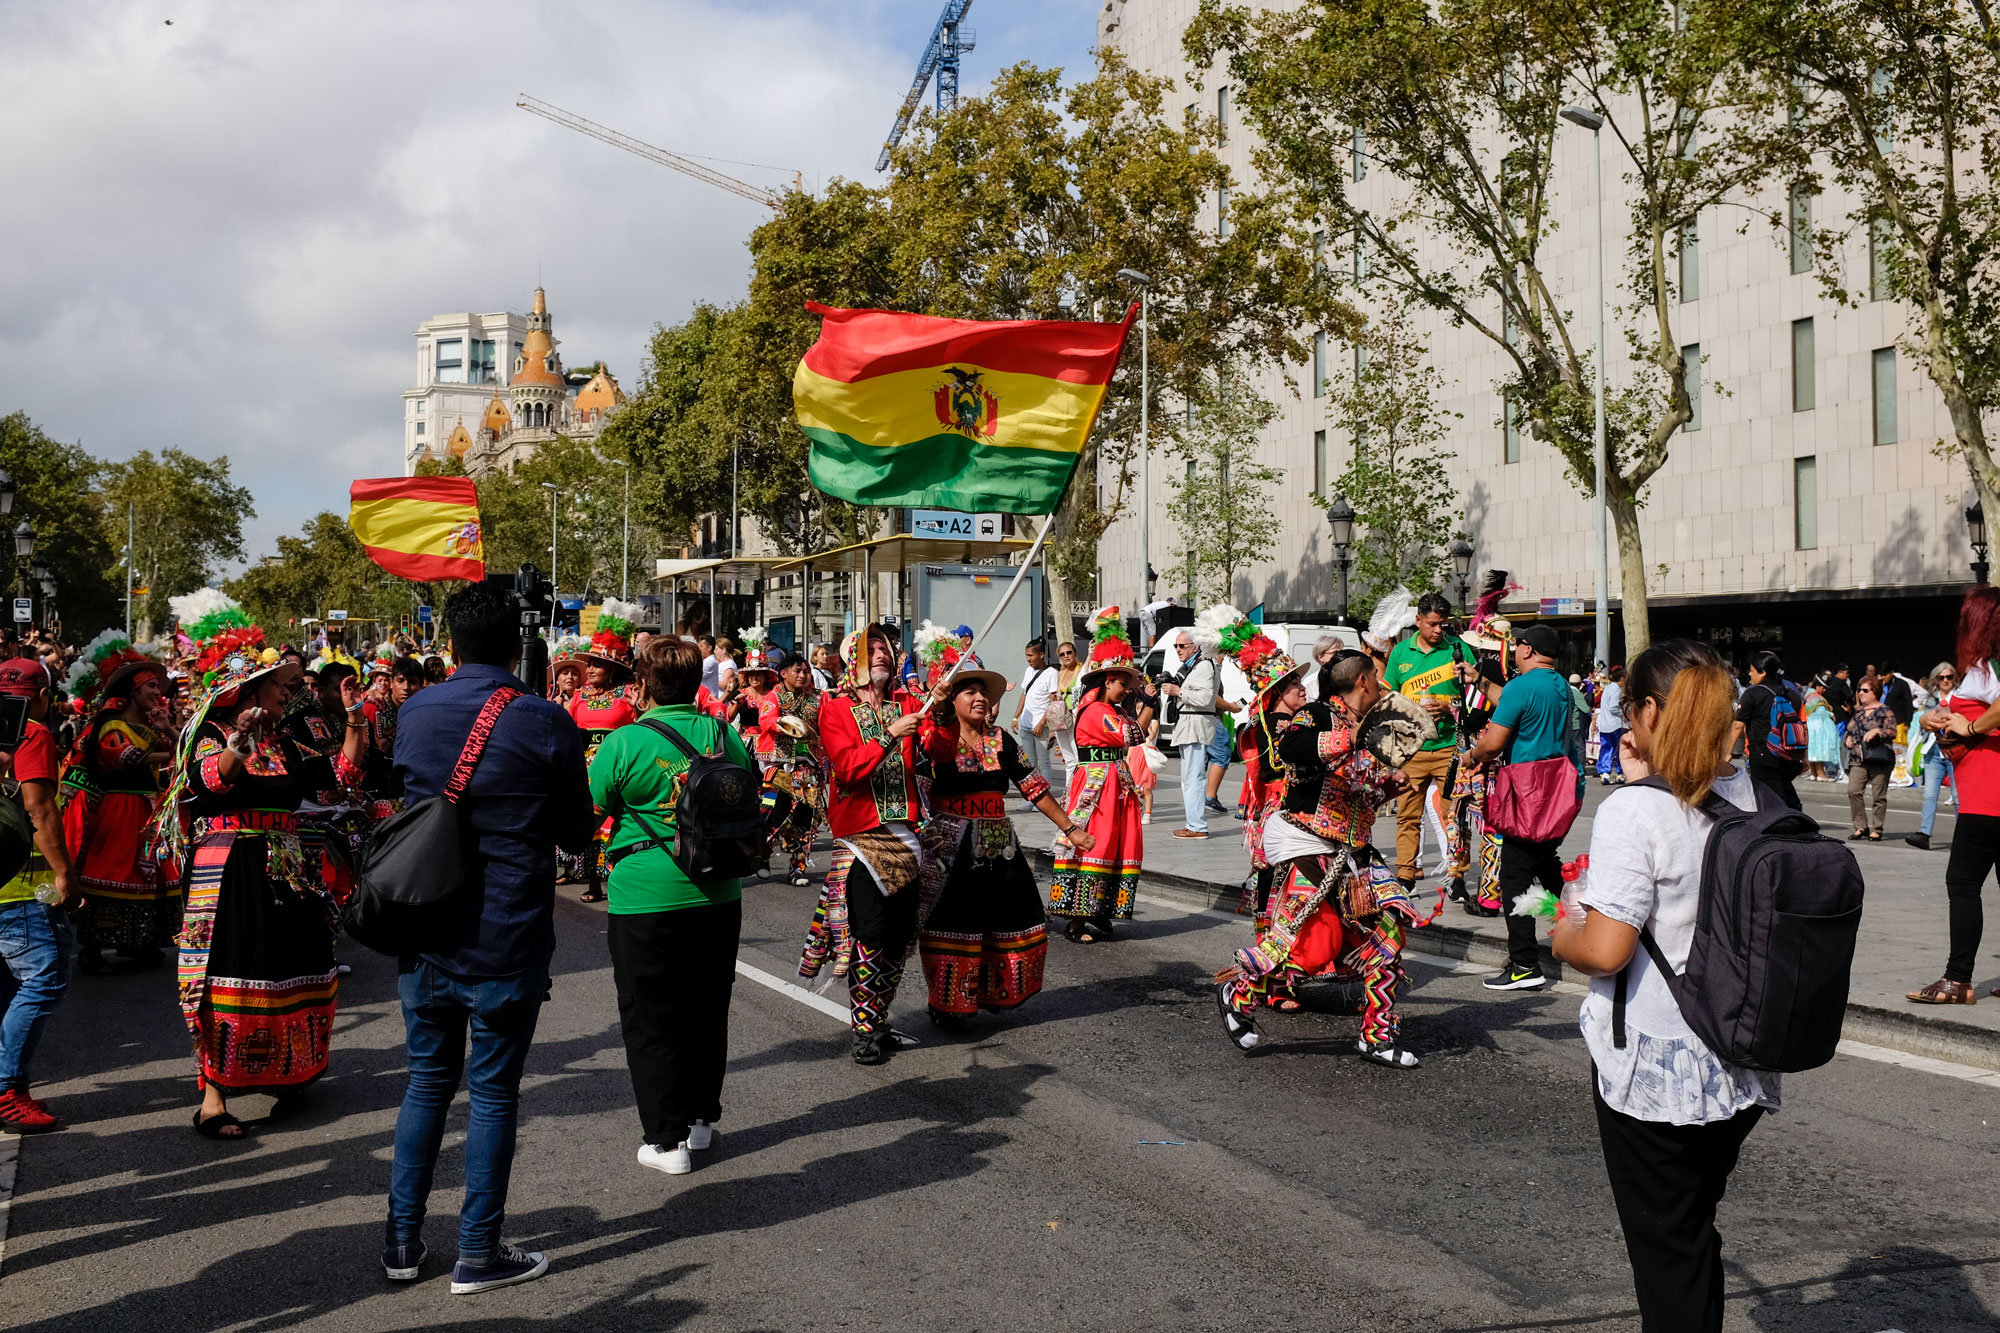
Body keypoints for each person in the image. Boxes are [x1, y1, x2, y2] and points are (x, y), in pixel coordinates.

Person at [1549, 638, 1777, 1333]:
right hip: (1739, 1055)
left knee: (1666, 1250)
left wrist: (1562, 930)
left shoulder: (1635, 811)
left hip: (1656, 1061)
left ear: (1650, 711)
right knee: (1690, 1230)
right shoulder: (1757, 792)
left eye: (1629, 709)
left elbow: (1607, 948)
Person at [382, 579, 593, 1293]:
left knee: (426, 1084)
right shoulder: (542, 720)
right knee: (494, 1092)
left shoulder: (414, 711)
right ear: (518, 645)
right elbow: (575, 831)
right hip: (506, 935)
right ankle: (478, 1250)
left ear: (449, 643)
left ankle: (402, 1244)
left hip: (424, 929)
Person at [163, 606, 368, 1143]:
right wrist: (238, 744)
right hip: (232, 869)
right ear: (250, 689)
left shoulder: (284, 739)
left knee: (293, 963)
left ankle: (286, 1069)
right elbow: (210, 783)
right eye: (282, 685)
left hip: (287, 866)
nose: (290, 692)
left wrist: (354, 717)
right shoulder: (210, 733)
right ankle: (213, 1095)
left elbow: (338, 776)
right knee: (230, 967)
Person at [1216, 643, 1428, 1065]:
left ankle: (1376, 1036)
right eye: (1377, 678)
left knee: (1387, 935)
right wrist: (1353, 737)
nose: (1382, 686)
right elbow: (1291, 750)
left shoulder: (1361, 725)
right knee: (1316, 944)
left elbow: (1357, 794)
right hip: (1306, 839)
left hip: (1352, 848)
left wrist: (1388, 787)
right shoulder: (1315, 715)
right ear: (1365, 680)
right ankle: (1238, 992)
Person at [590, 635, 752, 1177]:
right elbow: (750, 789)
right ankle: (703, 1120)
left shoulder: (624, 742)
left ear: (641, 685)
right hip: (717, 891)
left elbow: (590, 812)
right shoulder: (720, 733)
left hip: (645, 897)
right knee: (708, 1009)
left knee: (650, 1015)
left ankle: (666, 1140)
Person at [915, 664, 1082, 1028]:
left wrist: (1070, 827)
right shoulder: (933, 741)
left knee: (1012, 918)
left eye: (982, 693)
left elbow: (1033, 786)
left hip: (997, 845)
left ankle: (991, 993)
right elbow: (918, 791)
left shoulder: (1001, 739)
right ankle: (947, 1004)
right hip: (950, 849)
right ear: (951, 700)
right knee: (954, 924)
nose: (979, 698)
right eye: (969, 692)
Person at [815, 623, 928, 1064]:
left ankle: (879, 1019)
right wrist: (890, 734)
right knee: (871, 936)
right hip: (863, 839)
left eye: (887, 648)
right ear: (853, 661)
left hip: (907, 838)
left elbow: (935, 752)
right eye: (872, 648)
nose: (882, 653)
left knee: (900, 940)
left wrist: (942, 708)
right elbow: (846, 770)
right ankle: (863, 1029)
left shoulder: (907, 704)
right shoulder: (836, 709)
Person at [1466, 621, 1576, 991]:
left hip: (1526, 794)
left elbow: (1493, 743)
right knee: (1544, 862)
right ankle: (1583, 920)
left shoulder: (1520, 687)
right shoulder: (1560, 686)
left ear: (1527, 649)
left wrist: (1470, 756)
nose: (1513, 652)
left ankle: (1525, 964)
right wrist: (1480, 681)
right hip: (1557, 790)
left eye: (1516, 647)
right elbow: (1518, 704)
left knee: (1514, 877)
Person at [59, 642, 178, 974]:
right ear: (133, 691)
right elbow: (126, 758)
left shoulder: (152, 728)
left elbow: (183, 748)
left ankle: (137, 942)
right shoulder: (112, 727)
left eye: (157, 685)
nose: (157, 691)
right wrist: (171, 753)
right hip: (120, 809)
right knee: (110, 871)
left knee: (144, 875)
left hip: (146, 809)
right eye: (150, 686)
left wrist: (168, 728)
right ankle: (92, 948)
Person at [1908, 587, 2000, 1003]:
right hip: (1986, 791)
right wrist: (1934, 717)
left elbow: (1975, 718)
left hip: (1987, 793)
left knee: (1962, 883)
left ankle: (1956, 980)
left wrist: (1971, 728)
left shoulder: (1986, 666)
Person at [0, 659, 78, 1132]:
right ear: (44, 697)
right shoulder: (31, 732)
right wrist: (65, 873)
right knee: (45, 976)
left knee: (7, 984)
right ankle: (8, 1089)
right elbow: (39, 807)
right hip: (25, 884)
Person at [1049, 609, 1150, 944]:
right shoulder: (1095, 711)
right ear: (1108, 681)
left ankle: (1101, 910)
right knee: (1098, 844)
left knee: (1121, 844)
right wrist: (1148, 704)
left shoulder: (1112, 709)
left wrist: (1141, 707)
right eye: (1124, 684)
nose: (1128, 690)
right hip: (1097, 785)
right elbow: (1132, 736)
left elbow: (1134, 732)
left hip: (1115, 781)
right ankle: (1077, 920)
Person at [1381, 593, 1464, 886]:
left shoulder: (1458, 648)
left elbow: (1475, 696)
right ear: (1418, 621)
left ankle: (1457, 874)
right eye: (1432, 624)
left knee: (1454, 814)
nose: (1438, 631)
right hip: (1411, 748)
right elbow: (1388, 697)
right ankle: (1405, 875)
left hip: (1448, 747)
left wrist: (1449, 706)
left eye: (1442, 624)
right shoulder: (1401, 653)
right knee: (1407, 815)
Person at [566, 602, 644, 903]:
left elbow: (639, 725)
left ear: (611, 669)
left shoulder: (626, 695)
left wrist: (638, 706)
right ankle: (594, 881)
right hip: (585, 766)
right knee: (592, 819)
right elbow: (570, 729)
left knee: (616, 820)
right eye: (591, 665)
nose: (592, 670)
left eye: (598, 665)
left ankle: (620, 878)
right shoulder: (579, 697)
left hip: (618, 763)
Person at [756, 650, 823, 887]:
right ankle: (762, 856)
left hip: (809, 767)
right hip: (779, 766)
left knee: (805, 819)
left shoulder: (818, 698)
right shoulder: (773, 697)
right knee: (773, 814)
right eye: (798, 670)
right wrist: (786, 725)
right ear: (783, 674)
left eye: (806, 670)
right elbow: (766, 720)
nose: (803, 674)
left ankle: (797, 869)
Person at [1163, 623, 1221, 840]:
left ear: (1195, 646)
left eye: (1182, 645)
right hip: (1188, 725)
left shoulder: (1204, 666)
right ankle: (1193, 824)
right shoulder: (1191, 667)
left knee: (1193, 778)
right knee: (1189, 778)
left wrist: (1178, 691)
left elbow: (1206, 698)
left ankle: (1197, 826)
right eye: (1176, 645)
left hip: (1195, 725)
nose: (1178, 649)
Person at [1733, 651, 1805, 811]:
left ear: (1763, 671)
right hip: (1790, 755)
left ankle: (1786, 828)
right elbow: (1801, 725)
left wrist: (1726, 753)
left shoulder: (1752, 693)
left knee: (1771, 801)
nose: (1749, 674)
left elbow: (1738, 725)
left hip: (1764, 755)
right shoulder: (1791, 694)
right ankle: (1796, 818)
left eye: (1751, 670)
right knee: (1784, 791)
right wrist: (1804, 757)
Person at [1907, 660, 1958, 850]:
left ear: (1955, 678)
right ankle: (1924, 833)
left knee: (1958, 797)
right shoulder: (1930, 699)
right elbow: (1924, 722)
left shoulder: (1960, 697)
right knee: (1929, 795)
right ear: (1936, 679)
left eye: (1949, 677)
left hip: (1955, 752)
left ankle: (1963, 836)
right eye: (1941, 677)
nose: (1945, 680)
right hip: (1933, 751)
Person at [1845, 680, 1896, 842]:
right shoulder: (1858, 712)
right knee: (1853, 791)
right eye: (1859, 689)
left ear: (1875, 692)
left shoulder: (1885, 710)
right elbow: (1850, 729)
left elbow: (1892, 731)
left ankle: (1877, 828)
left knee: (1878, 796)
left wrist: (1877, 731)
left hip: (1879, 759)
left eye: (1865, 690)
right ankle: (1861, 826)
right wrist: (1848, 737)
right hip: (1858, 759)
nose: (1861, 693)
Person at [1012, 638, 1059, 799]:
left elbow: (1052, 702)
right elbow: (1024, 695)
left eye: (1031, 655)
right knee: (1029, 764)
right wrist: (1016, 717)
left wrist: (1042, 723)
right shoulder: (1028, 671)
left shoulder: (1052, 673)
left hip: (1041, 725)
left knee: (1044, 762)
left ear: (1041, 655)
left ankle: (1045, 798)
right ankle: (1032, 798)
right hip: (1025, 724)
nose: (1028, 659)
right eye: (1026, 655)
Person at [1049, 639, 1083, 789]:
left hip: (1077, 717)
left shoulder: (1082, 670)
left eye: (1069, 652)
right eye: (1062, 654)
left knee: (1078, 757)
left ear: (1075, 654)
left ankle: (1080, 789)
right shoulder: (1060, 673)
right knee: (1068, 759)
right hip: (1062, 719)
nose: (1066, 656)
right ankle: (1069, 791)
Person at [1594, 664, 1627, 786]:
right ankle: (1620, 772)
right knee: (1618, 749)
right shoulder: (1616, 690)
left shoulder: (1608, 688)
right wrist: (1624, 713)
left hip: (1605, 723)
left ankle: (1604, 772)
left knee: (1606, 748)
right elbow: (1614, 707)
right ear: (1622, 679)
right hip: (1615, 724)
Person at [1804, 672, 1840, 782]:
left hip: (1812, 726)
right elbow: (1819, 713)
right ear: (1818, 686)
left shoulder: (1808, 695)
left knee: (1813, 749)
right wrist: (1830, 714)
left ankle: (1815, 773)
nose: (1824, 690)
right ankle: (1820, 773)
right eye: (1823, 688)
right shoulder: (1815, 697)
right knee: (1818, 749)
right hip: (1817, 727)